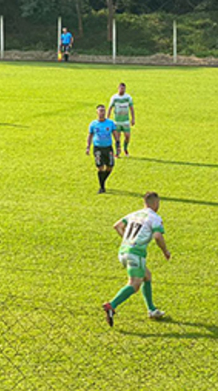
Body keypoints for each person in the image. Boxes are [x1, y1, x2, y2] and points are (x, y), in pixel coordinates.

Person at [103, 192, 171, 327]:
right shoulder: (154, 217)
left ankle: (152, 310)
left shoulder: (135, 214)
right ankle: (112, 305)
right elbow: (158, 236)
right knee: (134, 284)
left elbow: (117, 225)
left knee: (147, 276)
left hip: (123, 251)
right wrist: (165, 251)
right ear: (156, 204)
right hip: (135, 253)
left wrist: (127, 241)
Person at [86, 104, 119, 194]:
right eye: (100, 111)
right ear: (97, 112)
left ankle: (103, 181)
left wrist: (118, 145)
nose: (102, 113)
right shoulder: (93, 124)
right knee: (100, 167)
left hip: (108, 148)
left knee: (110, 167)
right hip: (98, 148)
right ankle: (102, 187)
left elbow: (115, 134)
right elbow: (90, 135)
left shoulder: (110, 123)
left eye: (103, 111)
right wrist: (88, 147)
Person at [107, 83, 135, 156]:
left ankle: (125, 148)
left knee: (127, 136)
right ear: (118, 88)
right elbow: (110, 108)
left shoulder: (128, 97)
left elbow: (131, 108)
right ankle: (117, 152)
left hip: (126, 121)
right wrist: (107, 118)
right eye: (121, 88)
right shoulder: (114, 98)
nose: (122, 90)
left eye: (123, 89)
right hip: (117, 121)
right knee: (117, 138)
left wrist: (133, 119)